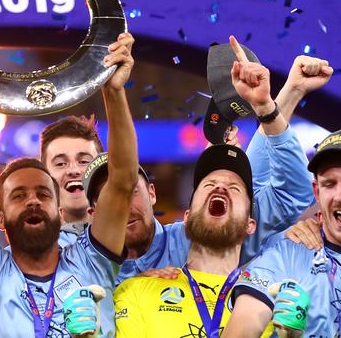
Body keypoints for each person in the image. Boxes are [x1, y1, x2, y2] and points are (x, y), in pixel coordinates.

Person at [0, 31, 139, 337]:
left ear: (60, 210)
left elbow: (122, 182)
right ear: (0, 219)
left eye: (42, 194)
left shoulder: (91, 259)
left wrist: (114, 91)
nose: (33, 201)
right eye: (19, 196)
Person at [62, 40, 331, 282]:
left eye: (131, 190)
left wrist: (276, 101)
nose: (123, 202)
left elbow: (270, 187)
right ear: (93, 214)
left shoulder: (201, 234)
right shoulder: (81, 264)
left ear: (152, 193)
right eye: (110, 196)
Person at [110, 143, 274, 337]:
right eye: (209, 185)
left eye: (234, 188)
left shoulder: (269, 303)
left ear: (250, 225)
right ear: (186, 218)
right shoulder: (135, 290)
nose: (220, 186)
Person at [223, 129, 341, 337]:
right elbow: (241, 328)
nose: (339, 196)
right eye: (329, 184)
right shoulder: (286, 255)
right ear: (316, 191)